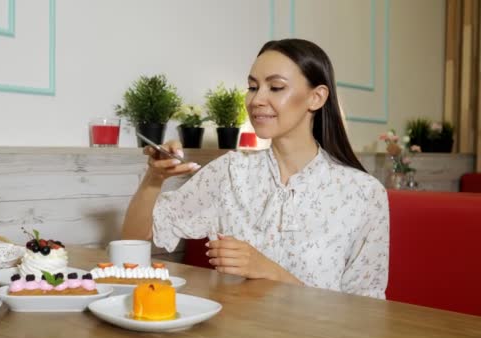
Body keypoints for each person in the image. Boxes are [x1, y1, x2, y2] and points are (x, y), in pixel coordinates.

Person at [121, 39, 389, 299]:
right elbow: (133, 238)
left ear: (316, 97)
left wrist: (270, 272)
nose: (256, 100)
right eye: (252, 87)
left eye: (275, 87)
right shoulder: (230, 172)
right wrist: (154, 179)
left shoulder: (363, 194)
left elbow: (366, 312)